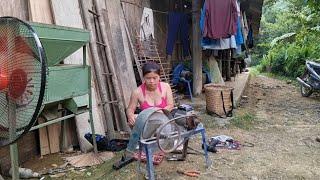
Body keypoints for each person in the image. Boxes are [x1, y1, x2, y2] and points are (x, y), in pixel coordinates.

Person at [126, 61, 174, 128]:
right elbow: (130, 109)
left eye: (155, 78)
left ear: (159, 77)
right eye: (148, 78)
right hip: (147, 125)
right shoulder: (137, 92)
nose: (152, 81)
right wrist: (130, 116)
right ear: (143, 78)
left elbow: (170, 105)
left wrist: (158, 113)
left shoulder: (166, 87)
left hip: (165, 122)